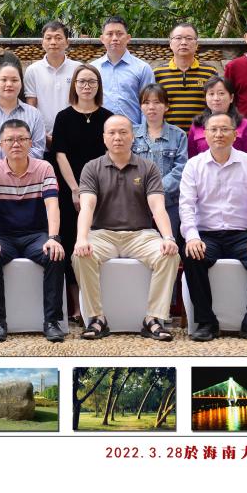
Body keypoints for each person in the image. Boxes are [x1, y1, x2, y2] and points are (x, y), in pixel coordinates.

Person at [73, 115, 180, 342]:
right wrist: (82, 238)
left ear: (133, 137)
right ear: (104, 138)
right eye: (112, 133)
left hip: (140, 235)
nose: (117, 137)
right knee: (81, 255)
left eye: (123, 132)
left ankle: (153, 319)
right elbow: (87, 206)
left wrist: (168, 237)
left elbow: (157, 207)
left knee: (169, 255)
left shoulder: (148, 167)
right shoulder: (92, 168)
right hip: (103, 234)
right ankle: (97, 318)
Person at [179, 112, 247, 343]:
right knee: (191, 254)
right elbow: (186, 206)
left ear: (235, 134)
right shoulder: (194, 165)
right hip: (206, 235)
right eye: (213, 130)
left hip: (241, 234)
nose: (219, 134)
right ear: (205, 134)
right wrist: (192, 237)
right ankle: (206, 322)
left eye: (224, 129)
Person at [0, 119, 66, 342]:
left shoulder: (44, 168)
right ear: (1, 144)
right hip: (4, 236)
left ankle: (52, 321)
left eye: (22, 139)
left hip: (36, 234)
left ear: (31, 143)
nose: (16, 144)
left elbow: (52, 205)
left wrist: (53, 238)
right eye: (10, 140)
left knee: (55, 254)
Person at [50, 63, 114, 322]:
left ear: (99, 86)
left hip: (103, 189)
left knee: (97, 243)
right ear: (74, 86)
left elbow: (111, 155)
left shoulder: (108, 117)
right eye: (81, 82)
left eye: (92, 82)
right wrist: (75, 189)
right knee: (71, 243)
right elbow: (60, 154)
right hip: (70, 190)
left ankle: (97, 305)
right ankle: (77, 306)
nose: (86, 86)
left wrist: (97, 190)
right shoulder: (63, 117)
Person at [131, 84, 189, 258]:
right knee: (138, 254)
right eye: (146, 102)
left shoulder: (179, 135)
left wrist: (155, 191)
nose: (151, 107)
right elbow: (125, 166)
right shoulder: (131, 134)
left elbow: (181, 170)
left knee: (168, 251)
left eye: (157, 102)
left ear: (166, 106)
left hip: (169, 204)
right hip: (137, 204)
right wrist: (140, 189)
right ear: (141, 106)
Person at [0, 63, 48, 167]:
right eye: (4, 80)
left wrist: (17, 170)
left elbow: (37, 149)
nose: (9, 84)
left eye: (14, 80)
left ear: (21, 83)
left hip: (26, 174)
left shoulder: (34, 114)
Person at [24, 20, 81, 150]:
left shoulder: (78, 68)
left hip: (74, 135)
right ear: (42, 42)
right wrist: (41, 134)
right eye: (48, 38)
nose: (53, 42)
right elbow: (31, 105)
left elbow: (83, 101)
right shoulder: (33, 70)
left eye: (58, 38)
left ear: (67, 42)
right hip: (42, 139)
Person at [152, 22, 219, 131]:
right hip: (168, 136)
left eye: (189, 38)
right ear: (170, 43)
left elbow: (216, 106)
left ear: (196, 44)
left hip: (201, 135)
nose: (183, 42)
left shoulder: (210, 73)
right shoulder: (157, 74)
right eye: (178, 38)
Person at [89, 16, 154, 124]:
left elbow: (149, 105)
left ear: (128, 38)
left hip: (133, 131)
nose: (115, 38)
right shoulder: (93, 69)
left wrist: (144, 132)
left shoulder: (142, 68)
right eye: (110, 34)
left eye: (119, 34)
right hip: (100, 130)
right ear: (102, 38)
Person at [188, 75, 247, 157]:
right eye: (211, 94)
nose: (216, 98)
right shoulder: (197, 124)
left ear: (231, 98)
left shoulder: (245, 125)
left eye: (221, 93)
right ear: (205, 98)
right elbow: (191, 158)